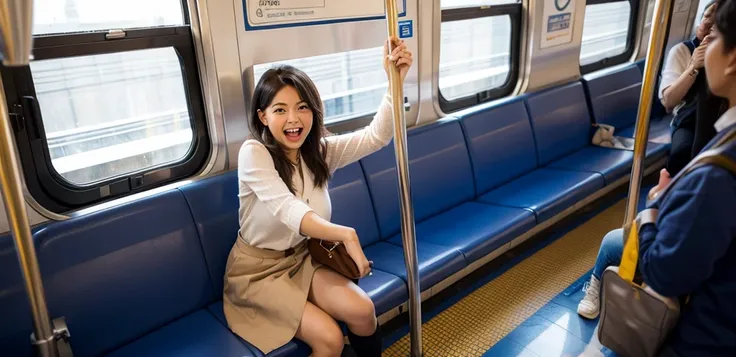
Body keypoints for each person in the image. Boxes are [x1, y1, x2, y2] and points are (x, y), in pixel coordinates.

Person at [223, 38, 413, 357]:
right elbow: (288, 210)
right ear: (263, 117)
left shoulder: (318, 152)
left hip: (302, 258)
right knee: (329, 339)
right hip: (257, 273)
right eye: (280, 110)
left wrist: (395, 81)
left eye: (302, 107)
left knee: (363, 311)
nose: (294, 119)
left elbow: (377, 136)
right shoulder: (254, 154)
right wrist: (345, 235)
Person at [659, 1, 728, 177]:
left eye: (717, 22)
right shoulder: (682, 51)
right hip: (688, 120)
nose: (710, 25)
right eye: (707, 18)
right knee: (682, 151)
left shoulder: (726, 55)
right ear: (700, 21)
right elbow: (668, 101)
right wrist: (693, 67)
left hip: (721, 118)